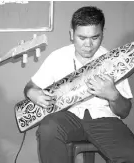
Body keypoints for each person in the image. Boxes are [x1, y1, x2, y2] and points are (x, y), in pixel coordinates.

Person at [24, 6, 134, 163]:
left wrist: (113, 95)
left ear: (103, 34)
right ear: (71, 34)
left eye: (95, 38)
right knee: (48, 128)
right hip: (69, 117)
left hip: (104, 119)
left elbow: (124, 112)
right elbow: (30, 86)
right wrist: (32, 93)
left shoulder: (114, 61)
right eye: (82, 38)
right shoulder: (58, 57)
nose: (88, 45)